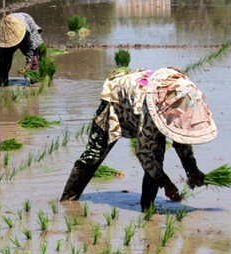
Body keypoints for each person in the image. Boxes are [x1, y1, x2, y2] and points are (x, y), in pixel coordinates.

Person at [60, 67, 217, 211]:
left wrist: (192, 170)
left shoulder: (186, 99)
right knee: (94, 154)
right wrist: (167, 183)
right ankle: (68, 201)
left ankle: (147, 210)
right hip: (116, 101)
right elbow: (144, 153)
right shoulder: (150, 112)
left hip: (148, 102)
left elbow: (182, 139)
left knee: (158, 156)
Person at [0, 13, 44, 86]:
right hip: (7, 35)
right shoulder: (0, 32)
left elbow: (31, 48)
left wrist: (28, 64)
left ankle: (34, 82)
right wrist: (1, 63)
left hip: (24, 30)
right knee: (3, 62)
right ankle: (3, 81)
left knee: (34, 59)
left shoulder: (25, 30)